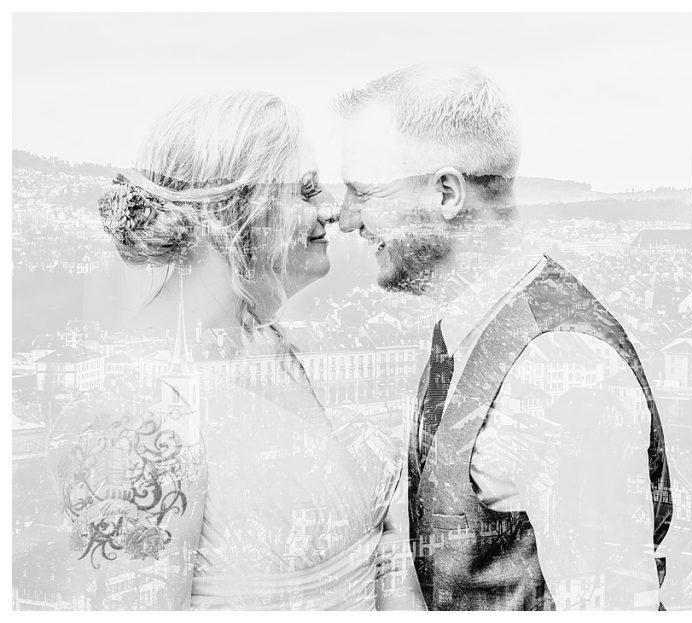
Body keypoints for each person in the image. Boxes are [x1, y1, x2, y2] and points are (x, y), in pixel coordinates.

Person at [47, 92, 421, 610]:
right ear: (230, 213)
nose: (332, 211)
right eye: (306, 189)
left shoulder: (292, 353)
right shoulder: (133, 421)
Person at [335, 65, 673, 610]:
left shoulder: (562, 366)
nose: (346, 218)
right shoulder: (467, 324)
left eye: (364, 192)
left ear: (447, 193)